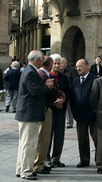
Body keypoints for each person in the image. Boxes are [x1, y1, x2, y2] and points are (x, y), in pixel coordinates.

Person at [15, 50, 54, 180]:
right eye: (42, 59)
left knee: (24, 143)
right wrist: (47, 87)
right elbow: (35, 91)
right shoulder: (31, 72)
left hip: (26, 112)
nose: (43, 61)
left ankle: (20, 169)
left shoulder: (28, 70)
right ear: (37, 60)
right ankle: (26, 171)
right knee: (29, 143)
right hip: (29, 112)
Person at [33, 57, 65, 175]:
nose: (55, 65)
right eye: (54, 63)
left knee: (45, 139)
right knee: (43, 138)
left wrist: (62, 97)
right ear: (50, 64)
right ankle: (38, 164)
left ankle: (41, 164)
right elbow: (49, 91)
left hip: (52, 108)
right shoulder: (43, 75)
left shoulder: (44, 74)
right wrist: (60, 96)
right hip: (46, 109)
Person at [70, 59, 97, 168]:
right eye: (77, 67)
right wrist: (74, 113)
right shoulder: (75, 81)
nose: (78, 69)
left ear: (87, 66)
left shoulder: (94, 79)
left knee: (97, 139)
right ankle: (84, 159)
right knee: (82, 139)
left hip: (93, 115)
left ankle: (99, 160)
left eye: (80, 66)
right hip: (80, 115)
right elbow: (72, 98)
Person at [47, 54, 70, 168]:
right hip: (50, 109)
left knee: (59, 134)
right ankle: (46, 157)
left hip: (61, 109)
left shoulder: (64, 77)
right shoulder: (47, 76)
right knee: (48, 134)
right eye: (54, 63)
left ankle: (56, 157)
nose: (56, 66)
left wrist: (63, 100)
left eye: (58, 63)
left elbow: (68, 91)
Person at [60, 57, 78, 129]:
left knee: (69, 108)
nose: (60, 65)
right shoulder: (60, 71)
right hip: (62, 92)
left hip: (70, 91)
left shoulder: (72, 70)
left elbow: (75, 80)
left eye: (61, 63)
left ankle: (69, 122)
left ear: (65, 63)